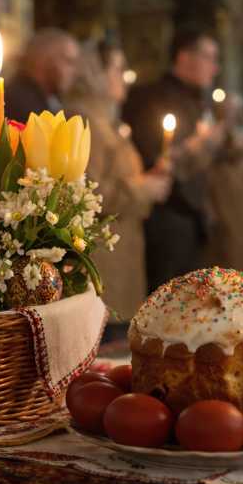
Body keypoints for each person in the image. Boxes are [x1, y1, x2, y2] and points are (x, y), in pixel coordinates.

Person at [64, 39, 171, 323]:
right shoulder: (84, 120)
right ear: (94, 73)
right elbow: (87, 194)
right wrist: (143, 187)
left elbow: (119, 180)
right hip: (102, 261)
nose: (124, 76)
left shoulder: (107, 121)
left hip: (122, 253)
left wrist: (147, 180)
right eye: (117, 68)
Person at [121, 27, 223, 291]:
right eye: (209, 58)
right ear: (184, 57)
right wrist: (200, 145)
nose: (215, 68)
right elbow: (158, 158)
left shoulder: (195, 100)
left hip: (190, 219)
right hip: (164, 218)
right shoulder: (151, 97)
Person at [204, 91, 243, 272]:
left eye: (235, 110)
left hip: (239, 207)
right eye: (228, 109)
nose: (231, 113)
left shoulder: (242, 135)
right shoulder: (212, 132)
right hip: (221, 204)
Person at [6, 28, 80, 122]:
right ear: (43, 60)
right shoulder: (21, 104)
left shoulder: (46, 97)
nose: (75, 72)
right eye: (69, 62)